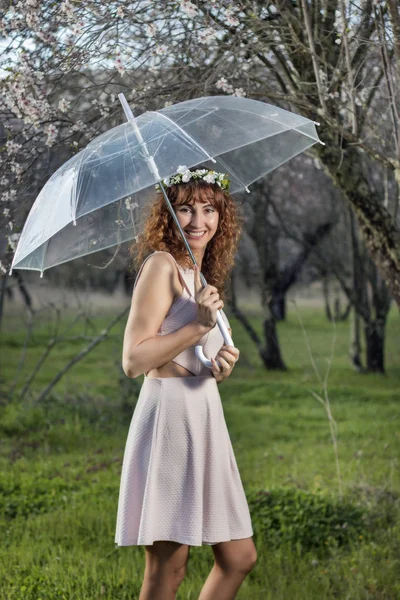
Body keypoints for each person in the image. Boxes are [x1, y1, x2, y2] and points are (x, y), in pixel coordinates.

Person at [114, 166, 257, 600]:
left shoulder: (198, 272)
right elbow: (133, 359)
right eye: (185, 208)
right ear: (168, 214)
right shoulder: (161, 266)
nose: (198, 221)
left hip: (205, 418)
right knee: (168, 571)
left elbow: (190, 355)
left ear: (221, 215)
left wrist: (219, 364)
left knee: (238, 557)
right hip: (170, 421)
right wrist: (197, 327)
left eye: (209, 209)